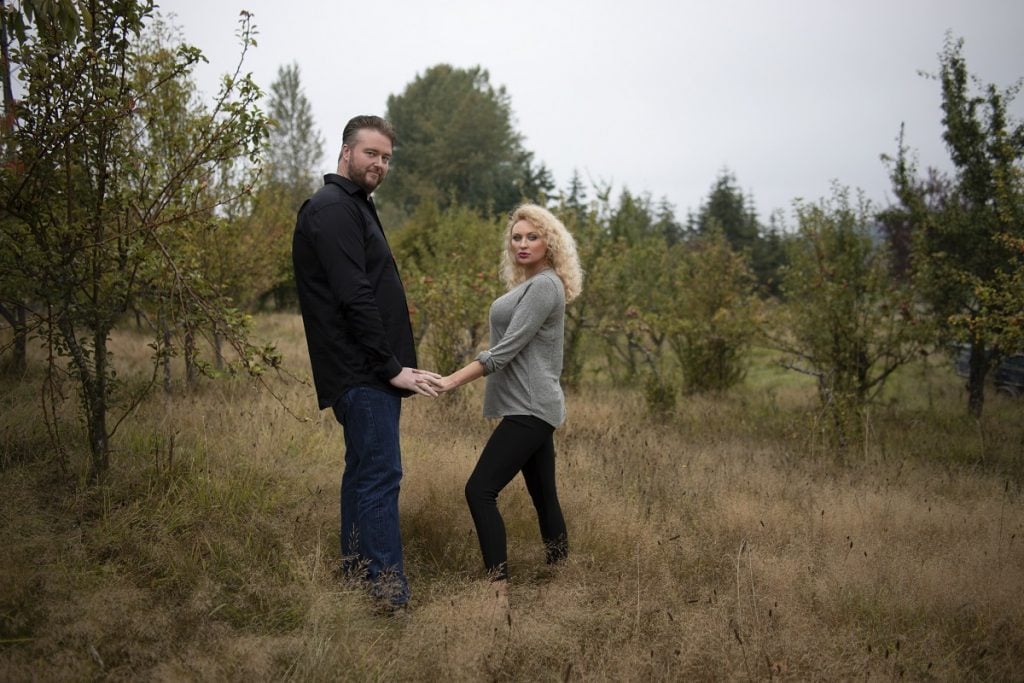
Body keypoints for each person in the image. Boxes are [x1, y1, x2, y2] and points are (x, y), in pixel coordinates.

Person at [292, 114, 439, 612]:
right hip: (362, 371)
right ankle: (387, 590)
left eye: (386, 158)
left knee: (363, 472)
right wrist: (390, 367)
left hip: (364, 371)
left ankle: (356, 573)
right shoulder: (333, 207)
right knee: (380, 474)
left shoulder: (353, 206)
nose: (380, 164)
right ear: (346, 151)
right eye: (371, 153)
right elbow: (355, 297)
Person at [428, 204, 583, 602]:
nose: (523, 243)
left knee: (479, 490)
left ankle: (497, 591)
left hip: (531, 408)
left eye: (533, 236)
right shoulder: (530, 285)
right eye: (517, 237)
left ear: (549, 242)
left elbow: (503, 352)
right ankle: (560, 578)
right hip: (532, 406)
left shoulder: (545, 286)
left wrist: (450, 381)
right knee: (544, 496)